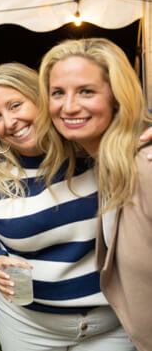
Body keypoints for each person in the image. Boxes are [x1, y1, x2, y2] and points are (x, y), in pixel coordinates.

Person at [0, 62, 134, 351]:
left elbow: (126, 118)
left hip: (112, 323)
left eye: (16, 105)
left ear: (42, 99)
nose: (10, 121)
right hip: (29, 327)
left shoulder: (92, 151)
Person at [37, 37, 152, 351]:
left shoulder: (146, 164)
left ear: (117, 97)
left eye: (86, 91)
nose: (69, 106)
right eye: (58, 93)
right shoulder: (107, 161)